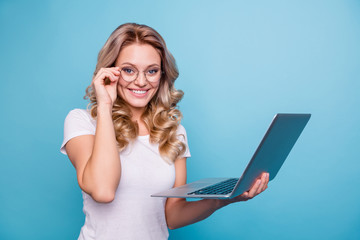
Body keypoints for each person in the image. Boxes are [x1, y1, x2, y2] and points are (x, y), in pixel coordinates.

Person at [60, 23, 269, 240]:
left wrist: (226, 198)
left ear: (162, 75)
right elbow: (103, 191)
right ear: (110, 71)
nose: (141, 81)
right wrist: (105, 106)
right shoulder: (83, 121)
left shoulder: (173, 131)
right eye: (128, 70)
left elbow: (173, 217)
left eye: (151, 71)